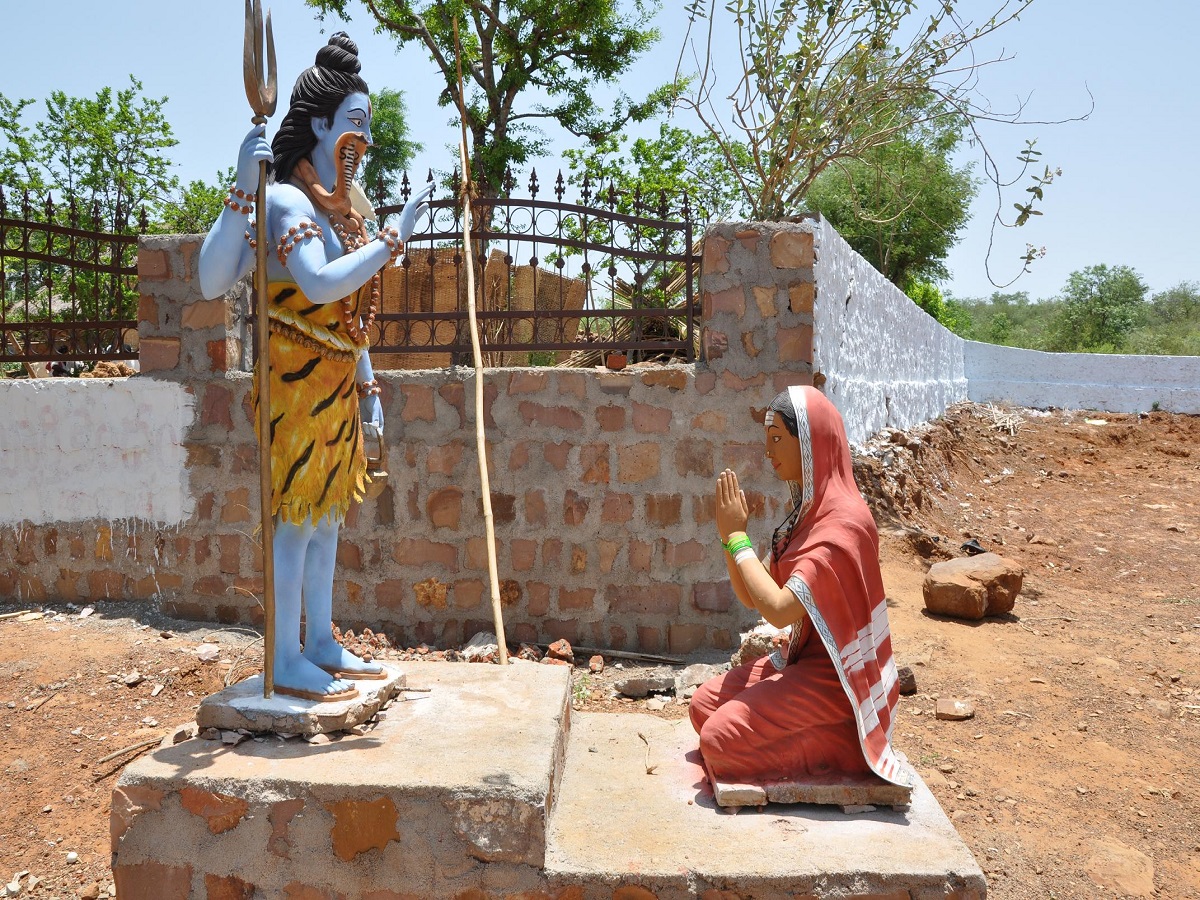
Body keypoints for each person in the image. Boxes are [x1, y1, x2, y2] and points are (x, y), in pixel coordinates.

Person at [198, 33, 433, 702]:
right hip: (291, 394)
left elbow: (348, 317)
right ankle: (283, 654)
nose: (363, 139)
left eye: (368, 126)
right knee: (295, 520)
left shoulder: (341, 210)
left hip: (334, 388)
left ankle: (322, 640)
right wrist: (244, 187)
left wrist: (367, 384)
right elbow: (311, 282)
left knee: (329, 516)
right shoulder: (283, 202)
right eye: (354, 124)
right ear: (321, 124)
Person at [690, 385, 909, 787]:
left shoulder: (844, 526)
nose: (768, 452)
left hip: (836, 681)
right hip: (799, 661)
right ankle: (813, 738)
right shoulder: (808, 515)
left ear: (812, 443)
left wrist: (738, 538)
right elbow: (752, 596)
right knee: (702, 706)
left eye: (777, 439)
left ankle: (842, 746)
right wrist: (728, 537)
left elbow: (776, 609)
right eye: (766, 440)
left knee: (718, 740)